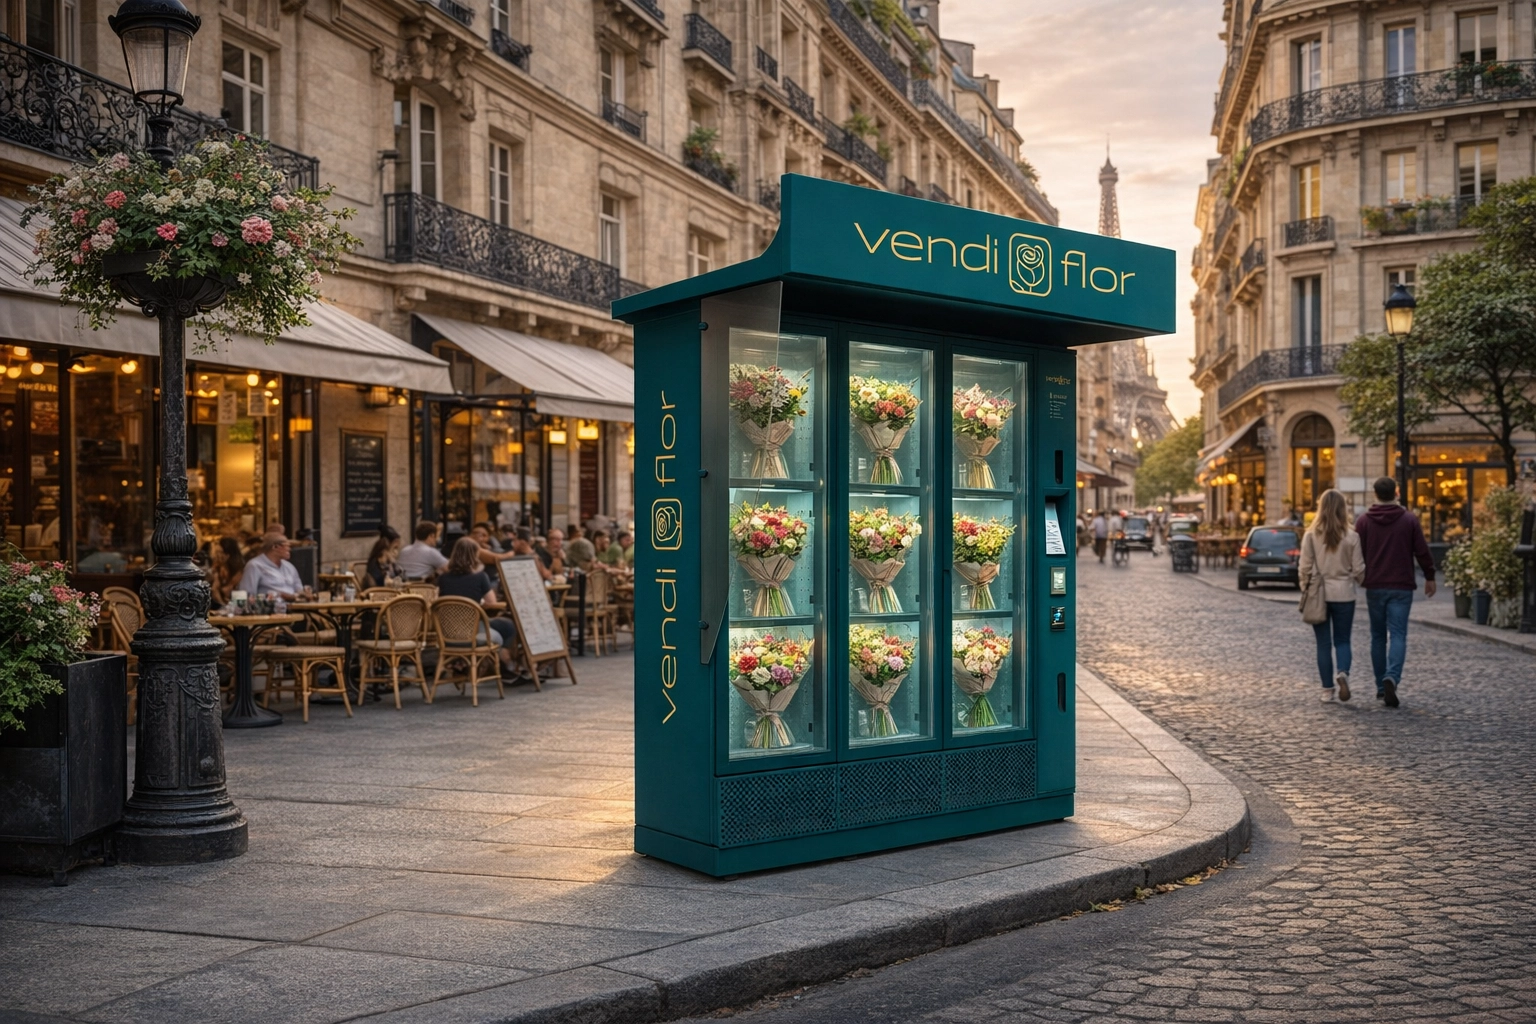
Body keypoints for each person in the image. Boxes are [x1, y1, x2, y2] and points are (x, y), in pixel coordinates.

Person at [1356, 477, 1436, 708]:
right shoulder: (1409, 519)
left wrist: (1359, 575)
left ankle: (1381, 687)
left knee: (1378, 636)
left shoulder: (1363, 522)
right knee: (1398, 634)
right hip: (1401, 586)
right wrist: (1429, 576)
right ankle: (1392, 677)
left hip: (1375, 586)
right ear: (1397, 493)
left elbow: (1356, 552)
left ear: (1375, 494)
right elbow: (1422, 550)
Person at [1299, 489, 1366, 703]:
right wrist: (1359, 580)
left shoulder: (1311, 535)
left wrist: (1305, 589)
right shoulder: (1352, 536)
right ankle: (1343, 672)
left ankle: (1327, 690)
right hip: (1344, 593)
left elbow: (1304, 568)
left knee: (1323, 644)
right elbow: (1359, 570)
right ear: (1342, 509)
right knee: (1343, 640)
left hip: (1319, 594)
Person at [435, 537, 521, 676]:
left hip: (447, 636)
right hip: (472, 633)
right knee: (508, 626)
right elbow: (492, 603)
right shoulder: (480, 577)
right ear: (475, 555)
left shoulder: (443, 579)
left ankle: (465, 662)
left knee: (494, 626)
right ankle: (503, 661)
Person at [237, 535, 311, 601]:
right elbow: (247, 595)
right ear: (275, 547)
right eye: (287, 546)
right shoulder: (254, 565)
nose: (289, 549)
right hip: (268, 612)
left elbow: (299, 590)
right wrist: (276, 596)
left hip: (295, 609)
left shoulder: (290, 567)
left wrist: (305, 593)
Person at [210, 537, 246, 606]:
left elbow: (228, 592)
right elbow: (214, 592)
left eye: (220, 552)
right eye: (216, 552)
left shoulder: (240, 571)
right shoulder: (217, 569)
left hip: (237, 607)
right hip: (220, 608)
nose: (217, 556)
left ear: (228, 554)